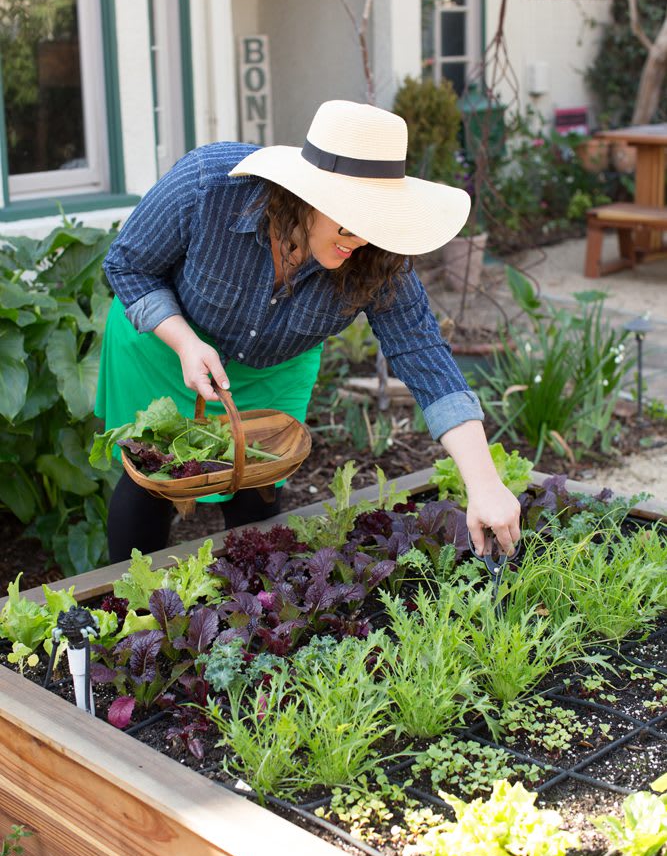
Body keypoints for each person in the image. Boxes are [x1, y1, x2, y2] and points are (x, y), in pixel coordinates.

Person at [97, 99, 521, 563]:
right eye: (349, 216)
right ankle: (131, 606)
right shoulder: (208, 185)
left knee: (257, 496)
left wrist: (484, 484)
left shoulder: (378, 258)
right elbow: (127, 265)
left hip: (274, 367)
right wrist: (184, 341)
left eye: (374, 222)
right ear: (305, 195)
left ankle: (250, 615)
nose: (359, 239)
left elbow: (423, 354)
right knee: (154, 481)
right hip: (164, 344)